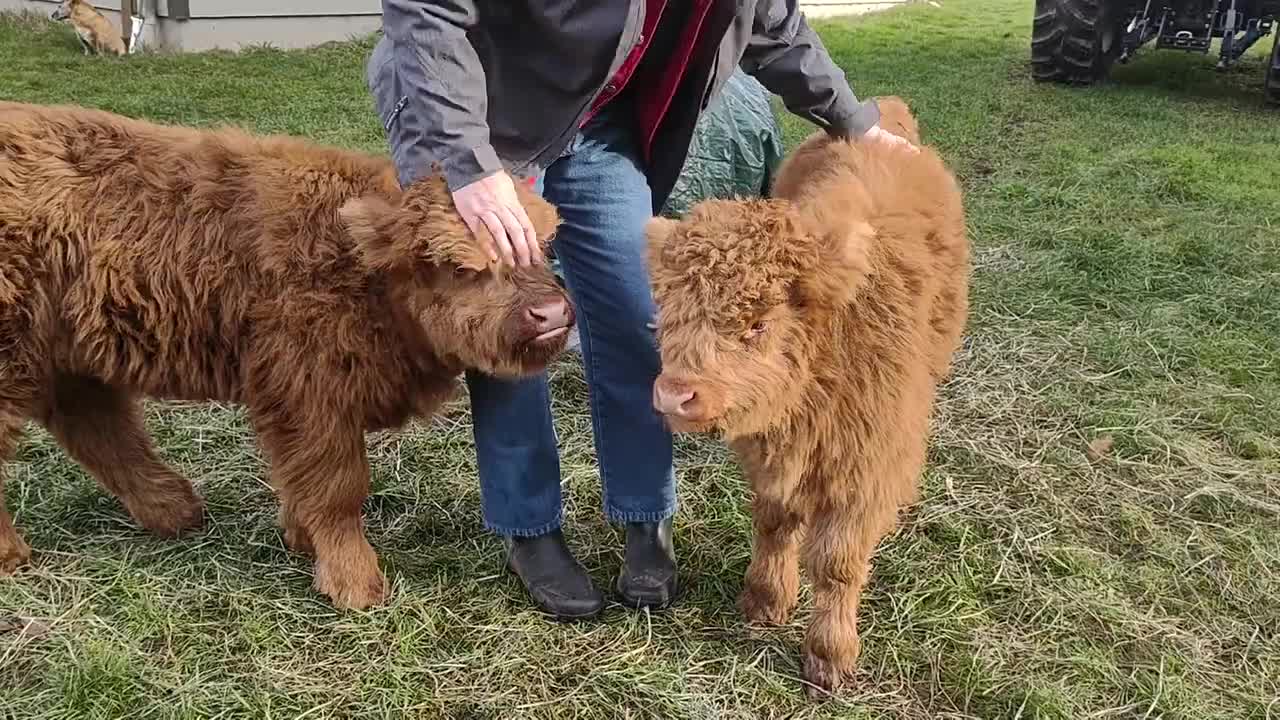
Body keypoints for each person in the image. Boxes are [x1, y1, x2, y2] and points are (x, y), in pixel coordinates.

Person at [366, 0, 916, 621]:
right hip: (482, 114)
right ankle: (531, 529)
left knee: (635, 316)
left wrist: (854, 120)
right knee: (510, 327)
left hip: (603, 122)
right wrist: (465, 160)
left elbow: (774, 25)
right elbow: (427, 9)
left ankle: (645, 518)